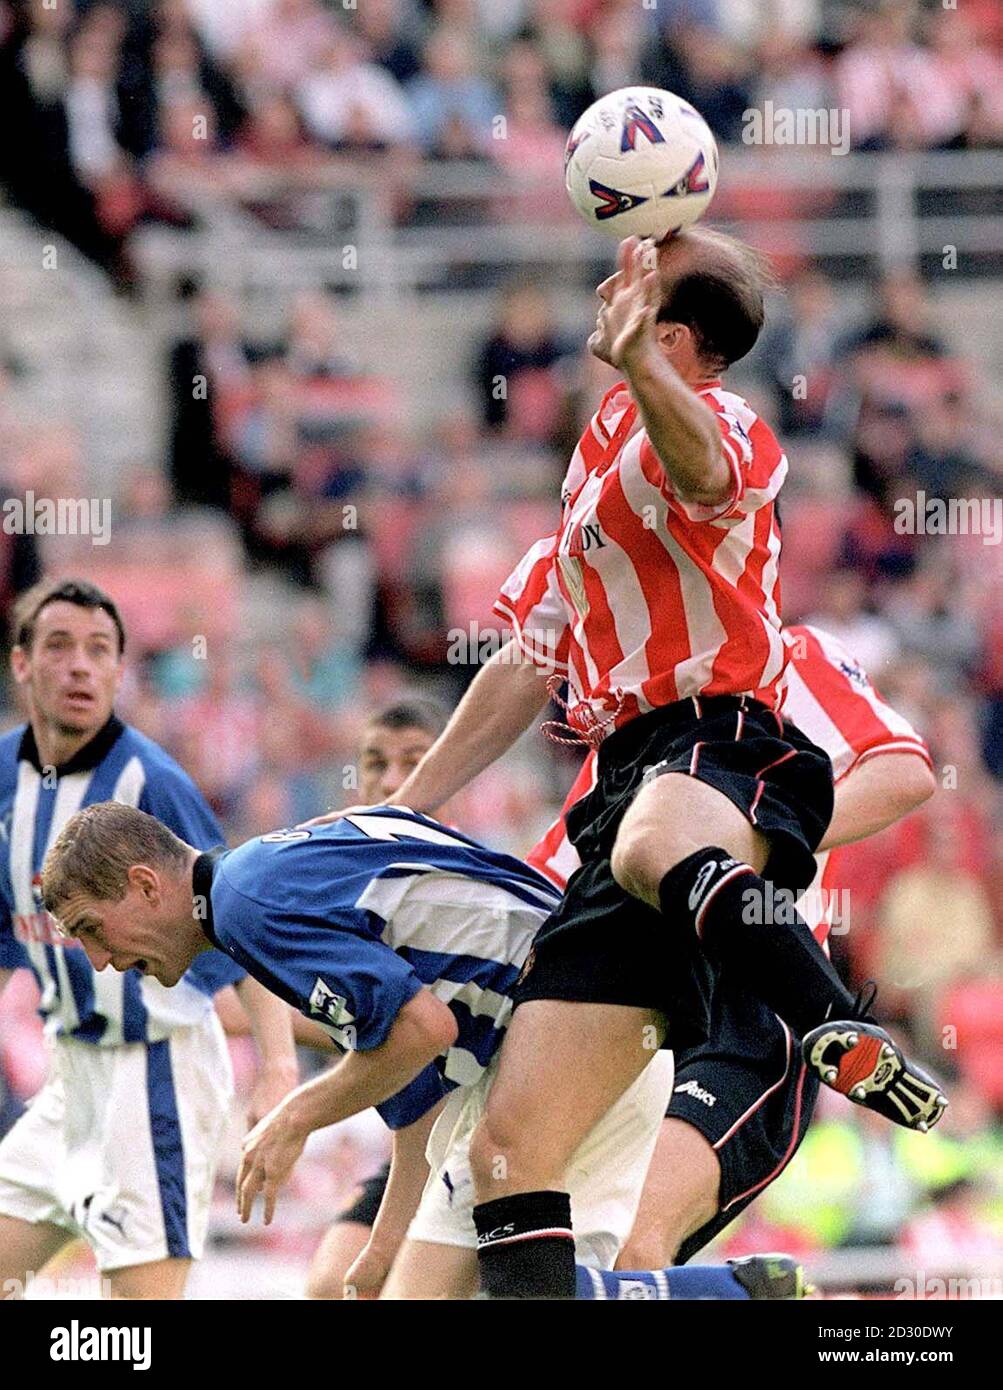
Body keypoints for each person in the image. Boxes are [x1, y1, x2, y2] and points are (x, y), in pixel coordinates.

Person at [309, 228, 945, 1299]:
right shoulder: (591, 466)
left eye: (636, 284)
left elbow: (701, 467)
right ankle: (726, 1292)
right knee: (512, 1156)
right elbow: (528, 656)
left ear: (676, 337)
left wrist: (771, 835)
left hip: (720, 743)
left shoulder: (727, 429)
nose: (607, 283)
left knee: (661, 831)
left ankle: (832, 1015)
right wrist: (405, 811)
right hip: (621, 800)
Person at [0, 579, 297, 1300]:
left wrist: (279, 1069)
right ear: (21, 665)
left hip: (155, 1072)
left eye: (100, 651)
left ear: (118, 672)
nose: (80, 666)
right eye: (60, 646)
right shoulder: (3, 779)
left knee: (135, 1328)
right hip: (70, 1076)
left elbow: (236, 919)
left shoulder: (148, 782)